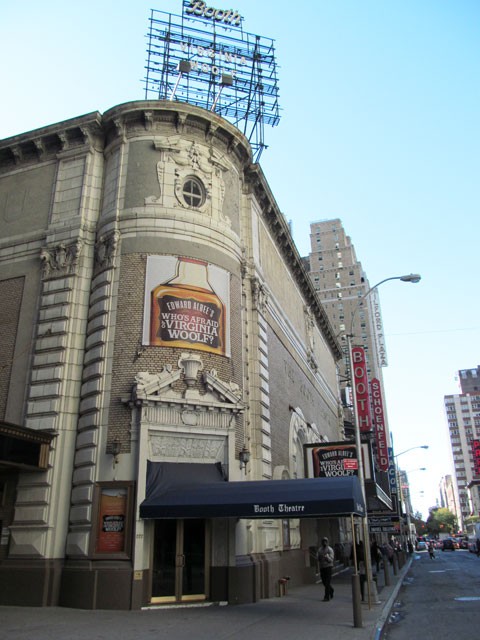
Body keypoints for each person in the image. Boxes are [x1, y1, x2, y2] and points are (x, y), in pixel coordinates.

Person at [317, 537, 335, 601]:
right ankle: (331, 590)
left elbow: (331, 560)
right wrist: (319, 557)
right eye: (323, 541)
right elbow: (318, 558)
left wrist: (327, 557)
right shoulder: (320, 550)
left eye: (325, 541)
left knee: (327, 582)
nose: (324, 543)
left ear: (327, 542)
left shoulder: (330, 550)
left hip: (328, 567)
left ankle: (326, 597)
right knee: (324, 582)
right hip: (322, 567)